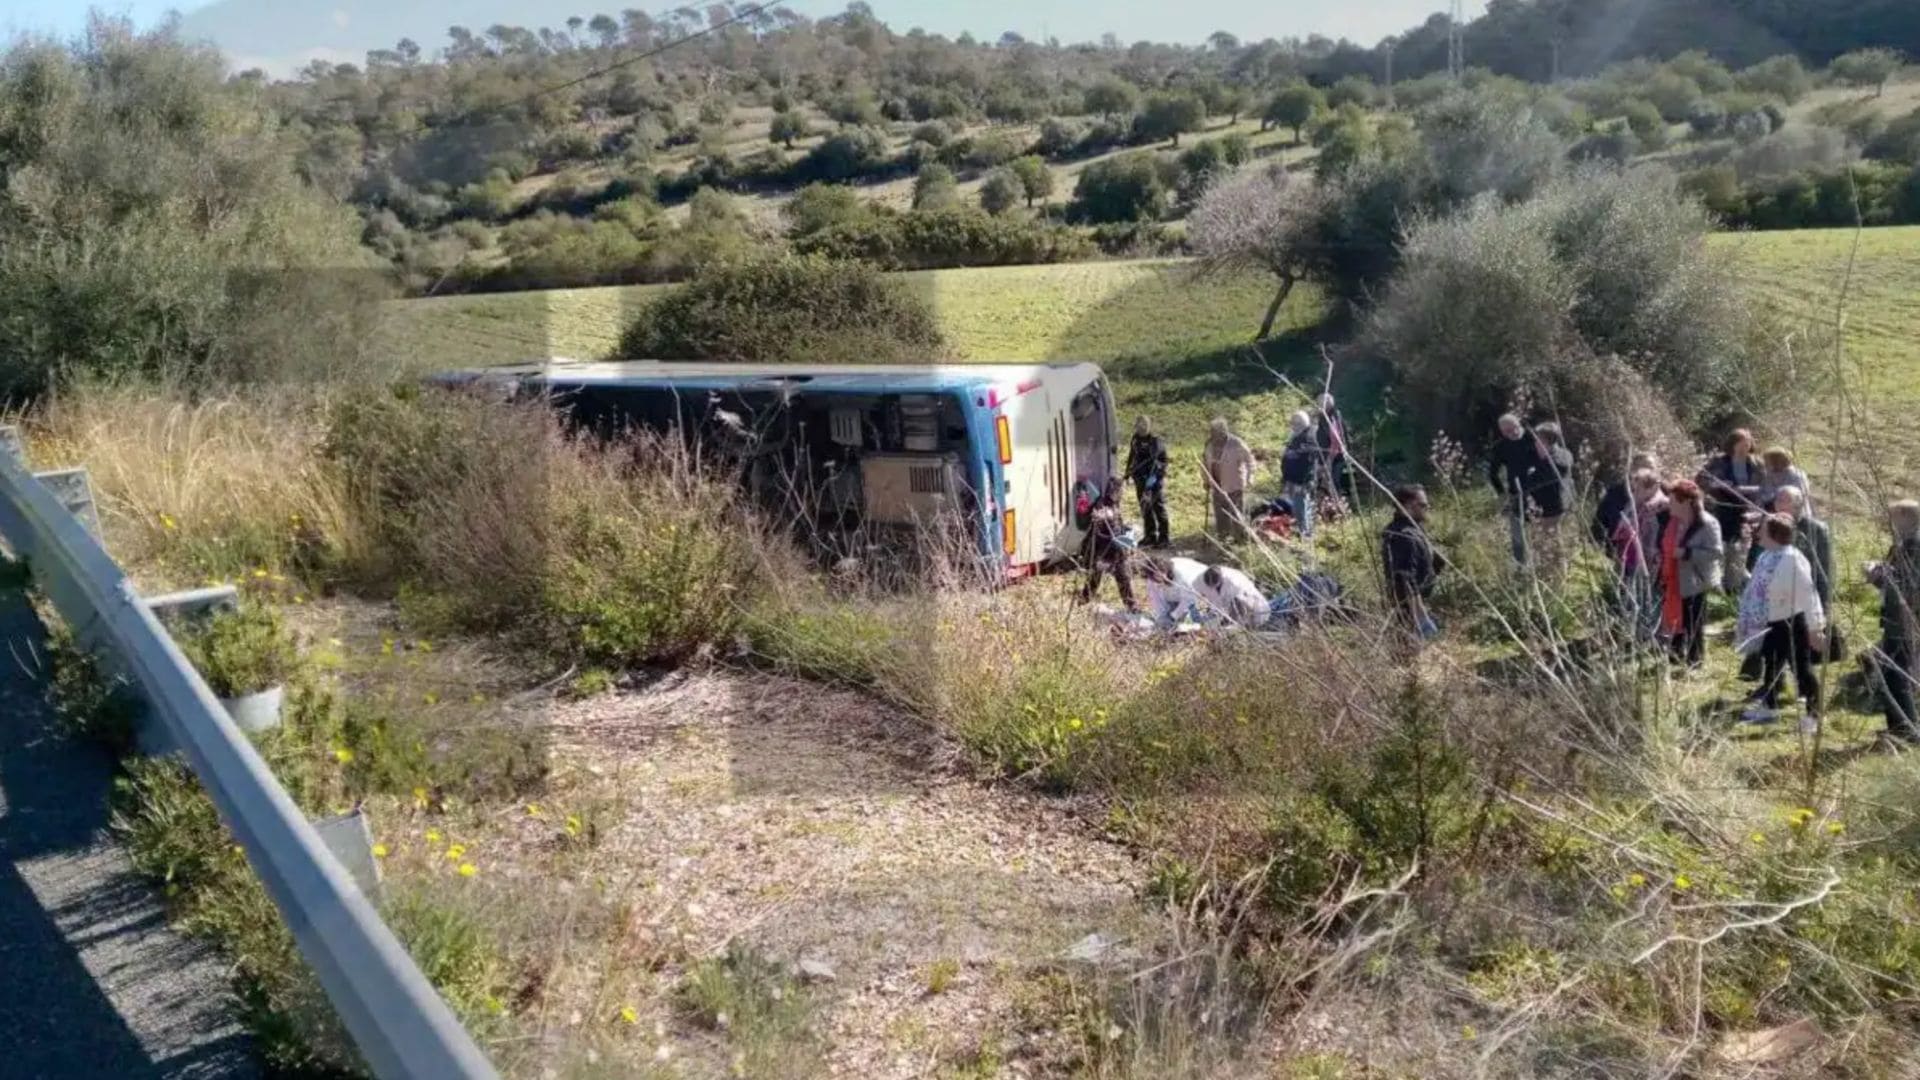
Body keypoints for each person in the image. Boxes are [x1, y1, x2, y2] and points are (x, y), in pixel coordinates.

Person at [1735, 514, 1826, 726]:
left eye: (1763, 529)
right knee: (1772, 663)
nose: (1758, 532)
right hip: (1772, 622)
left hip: (1792, 621)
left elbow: (1808, 593)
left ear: (1774, 534)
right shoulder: (1767, 555)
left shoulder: (1792, 559)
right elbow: (1757, 586)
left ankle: (1814, 716)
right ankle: (1770, 707)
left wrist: (1815, 628)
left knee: (1801, 669)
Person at [1867, 500, 1920, 745]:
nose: (1888, 522)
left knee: (1898, 675)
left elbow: (1908, 585)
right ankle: (1898, 728)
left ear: (1905, 517)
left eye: (1892, 517)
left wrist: (1877, 574)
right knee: (1890, 672)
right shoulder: (1905, 543)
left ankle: (1907, 730)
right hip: (1897, 619)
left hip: (1905, 620)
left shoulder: (1914, 545)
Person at [1655, 479, 1723, 668]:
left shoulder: (1708, 524)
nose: (1669, 503)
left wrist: (1687, 553)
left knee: (1693, 621)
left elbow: (1716, 553)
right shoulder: (1673, 521)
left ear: (1685, 502)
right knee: (1676, 616)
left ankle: (1695, 659)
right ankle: (1675, 654)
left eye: (1673, 501)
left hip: (1696, 580)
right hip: (1674, 578)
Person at [1699, 429, 1762, 595]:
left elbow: (1766, 486)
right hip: (1722, 507)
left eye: (1747, 444)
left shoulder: (1757, 464)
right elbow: (1701, 478)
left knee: (1741, 546)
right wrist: (1716, 485)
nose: (1744, 448)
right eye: (1741, 444)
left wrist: (1746, 489)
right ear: (1732, 445)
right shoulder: (1719, 461)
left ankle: (1735, 584)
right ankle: (1717, 584)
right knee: (1722, 544)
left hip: (1746, 509)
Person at [1382, 484, 1446, 640]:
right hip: (1410, 612)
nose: (1427, 508)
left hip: (1420, 601)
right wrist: (1421, 617)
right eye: (1423, 505)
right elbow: (1405, 580)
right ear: (1407, 506)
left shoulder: (1414, 528)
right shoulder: (1403, 536)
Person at [1487, 413, 1546, 566]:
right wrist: (1501, 493)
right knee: (1517, 535)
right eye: (1507, 431)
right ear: (1502, 432)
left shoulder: (1533, 438)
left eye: (1514, 428)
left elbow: (1549, 459)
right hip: (1516, 493)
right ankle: (1520, 566)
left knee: (1540, 532)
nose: (1512, 432)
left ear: (1519, 424)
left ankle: (1542, 564)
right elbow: (1492, 474)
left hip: (1539, 491)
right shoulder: (1501, 447)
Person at [1077, 477, 1137, 611]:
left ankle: (1084, 600)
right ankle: (1132, 607)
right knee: (1121, 578)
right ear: (1116, 490)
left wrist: (1127, 531)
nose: (1122, 492)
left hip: (1106, 550)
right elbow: (1112, 534)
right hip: (1107, 551)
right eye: (1121, 490)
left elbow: (1117, 528)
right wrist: (1128, 542)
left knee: (1098, 579)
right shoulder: (1105, 507)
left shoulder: (1111, 505)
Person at [1772, 486, 1833, 611]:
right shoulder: (1770, 527)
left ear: (1798, 505)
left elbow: (1824, 568)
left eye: (1785, 501)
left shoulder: (1816, 530)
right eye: (1778, 500)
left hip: (1806, 593)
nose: (1780, 505)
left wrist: (1824, 600)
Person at [1531, 422, 1575, 568]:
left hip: (1553, 509)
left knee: (1553, 544)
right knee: (1542, 544)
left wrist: (1536, 468)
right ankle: (1546, 573)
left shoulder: (1559, 458)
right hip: (1542, 508)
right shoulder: (1548, 456)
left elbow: (1543, 477)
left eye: (1538, 439)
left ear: (1545, 441)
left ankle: (1558, 578)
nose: (1535, 443)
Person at [1203, 417, 1255, 543]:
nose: (1215, 436)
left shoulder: (1236, 443)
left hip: (1234, 484)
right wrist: (1205, 480)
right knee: (1220, 514)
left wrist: (1250, 477)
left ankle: (1240, 539)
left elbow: (1250, 461)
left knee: (1237, 514)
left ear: (1224, 432)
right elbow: (1205, 464)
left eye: (1217, 433)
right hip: (1217, 485)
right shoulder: (1209, 444)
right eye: (1213, 432)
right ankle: (1223, 538)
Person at [1592, 451, 1657, 548]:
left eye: (1651, 468)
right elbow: (1600, 521)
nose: (1648, 471)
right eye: (1644, 467)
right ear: (1633, 469)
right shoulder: (1616, 493)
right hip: (1616, 552)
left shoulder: (1660, 497)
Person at [1125, 417, 1171, 548]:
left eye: (1144, 425)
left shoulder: (1156, 440)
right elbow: (1131, 456)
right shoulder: (1135, 440)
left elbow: (1164, 460)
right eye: (1139, 425)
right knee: (1145, 508)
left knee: (1158, 507)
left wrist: (1157, 475)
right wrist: (1127, 473)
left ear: (1150, 426)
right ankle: (1150, 536)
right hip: (1140, 479)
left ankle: (1164, 538)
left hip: (1154, 480)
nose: (1142, 427)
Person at [1279, 410, 1320, 540]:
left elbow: (1309, 459)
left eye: (1297, 423)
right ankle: (1304, 532)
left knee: (1301, 508)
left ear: (1304, 423)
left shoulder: (1308, 437)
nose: (1293, 425)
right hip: (1293, 479)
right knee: (1298, 507)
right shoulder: (1295, 436)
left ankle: (1306, 535)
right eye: (1293, 422)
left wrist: (1293, 454)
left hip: (1301, 480)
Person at [1139, 555, 1208, 629]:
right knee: (1166, 618)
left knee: (1189, 621)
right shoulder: (1151, 579)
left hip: (1201, 581)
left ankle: (1201, 619)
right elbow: (1156, 598)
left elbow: (1189, 599)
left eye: (1162, 572)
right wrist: (1163, 615)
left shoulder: (1182, 576)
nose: (1160, 576)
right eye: (1156, 575)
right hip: (1176, 594)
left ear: (1166, 570)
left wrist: (1173, 616)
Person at [1315, 393, 1357, 508]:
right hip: (1329, 455)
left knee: (1333, 482)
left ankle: (1338, 507)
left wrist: (1327, 461)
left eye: (1319, 403)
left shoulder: (1331, 417)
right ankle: (1331, 506)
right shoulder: (1324, 417)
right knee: (1328, 482)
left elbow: (1336, 439)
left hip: (1334, 456)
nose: (1317, 405)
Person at [1197, 564, 1271, 630]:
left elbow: (1238, 606)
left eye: (1215, 585)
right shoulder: (1198, 581)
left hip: (1254, 611)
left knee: (1232, 627)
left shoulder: (1235, 582)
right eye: (1210, 586)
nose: (1212, 588)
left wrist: (1227, 623)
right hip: (1224, 612)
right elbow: (1200, 598)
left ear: (1221, 579)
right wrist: (1203, 618)